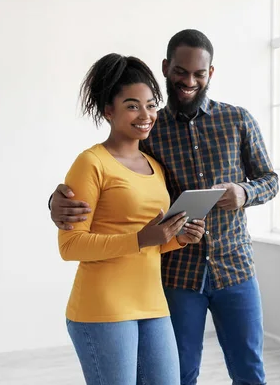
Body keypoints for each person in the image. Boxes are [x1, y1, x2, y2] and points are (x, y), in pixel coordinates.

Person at [51, 30, 279, 385]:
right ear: (166, 68)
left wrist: (244, 194)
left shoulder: (235, 121)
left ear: (210, 74)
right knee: (184, 373)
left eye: (198, 74)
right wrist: (54, 201)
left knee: (249, 371)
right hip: (174, 278)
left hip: (232, 267)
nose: (189, 81)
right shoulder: (147, 135)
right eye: (180, 72)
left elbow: (270, 179)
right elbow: (103, 195)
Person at [58, 53, 206, 385]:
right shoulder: (90, 163)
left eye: (152, 105)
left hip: (153, 304)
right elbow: (70, 245)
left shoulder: (155, 166)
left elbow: (152, 243)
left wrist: (178, 238)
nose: (146, 115)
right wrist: (140, 238)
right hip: (103, 308)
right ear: (108, 110)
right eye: (132, 105)